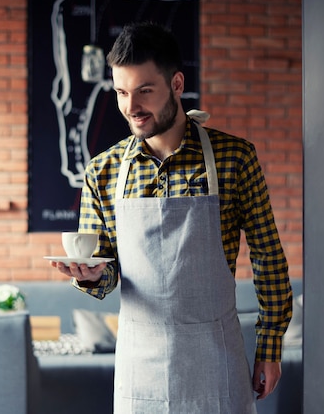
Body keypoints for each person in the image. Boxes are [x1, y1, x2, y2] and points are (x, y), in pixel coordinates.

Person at [51, 22, 293, 413]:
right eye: (122, 92)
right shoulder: (103, 171)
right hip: (138, 368)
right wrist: (92, 276)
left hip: (216, 361)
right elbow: (107, 272)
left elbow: (268, 258)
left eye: (145, 90)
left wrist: (270, 347)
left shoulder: (235, 158)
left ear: (177, 84)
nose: (131, 108)